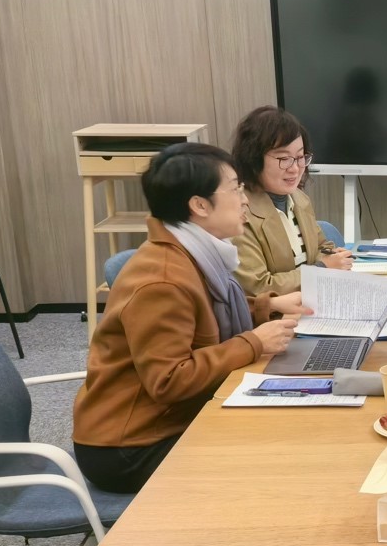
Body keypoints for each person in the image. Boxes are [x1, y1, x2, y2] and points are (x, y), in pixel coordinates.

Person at [73, 143, 307, 493]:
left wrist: (267, 307)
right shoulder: (162, 280)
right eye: (235, 189)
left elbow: (202, 311)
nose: (245, 200)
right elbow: (169, 380)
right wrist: (253, 342)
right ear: (199, 205)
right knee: (274, 453)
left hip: (161, 424)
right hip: (131, 445)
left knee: (283, 430)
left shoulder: (188, 253)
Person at [231, 105, 353, 296]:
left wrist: (335, 257)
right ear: (253, 159)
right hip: (277, 312)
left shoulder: (299, 198)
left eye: (300, 157)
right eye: (284, 158)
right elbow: (259, 287)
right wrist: (321, 269)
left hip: (315, 301)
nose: (295, 168)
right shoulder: (239, 214)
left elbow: (322, 247)